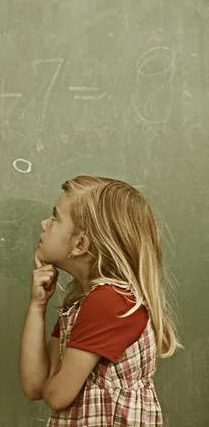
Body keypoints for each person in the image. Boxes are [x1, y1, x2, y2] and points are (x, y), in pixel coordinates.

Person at [18, 176, 182, 426]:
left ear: (80, 244)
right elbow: (34, 386)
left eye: (55, 218)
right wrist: (37, 305)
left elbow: (56, 395)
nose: (44, 224)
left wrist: (53, 378)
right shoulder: (83, 303)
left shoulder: (109, 302)